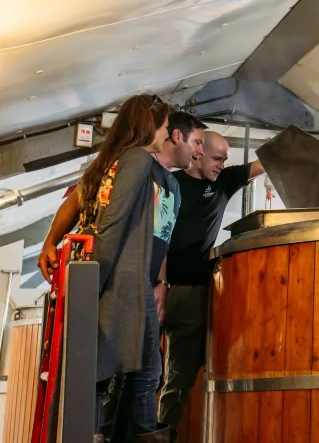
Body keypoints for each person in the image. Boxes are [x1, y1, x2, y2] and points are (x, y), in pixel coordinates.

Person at [37, 104, 205, 442]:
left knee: (142, 370)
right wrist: (51, 242)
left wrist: (159, 282)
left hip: (138, 280)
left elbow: (161, 236)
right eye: (198, 143)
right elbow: (102, 219)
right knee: (104, 369)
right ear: (168, 133)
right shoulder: (133, 163)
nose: (199, 152)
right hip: (109, 276)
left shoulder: (171, 182)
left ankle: (122, 433)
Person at [157, 131, 264, 438]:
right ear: (198, 153)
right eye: (217, 159)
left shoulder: (224, 182)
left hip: (195, 291)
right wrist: (160, 282)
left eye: (225, 160)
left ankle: (163, 433)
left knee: (181, 372)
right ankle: (142, 432)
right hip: (163, 287)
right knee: (156, 370)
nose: (221, 165)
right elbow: (160, 235)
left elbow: (261, 165)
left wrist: (295, 144)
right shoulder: (171, 184)